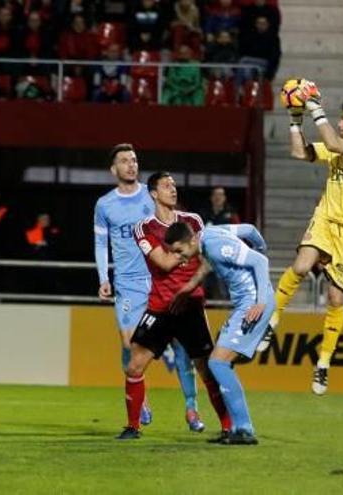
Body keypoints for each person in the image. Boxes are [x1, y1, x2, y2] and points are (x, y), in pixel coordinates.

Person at [278, 88, 343, 395]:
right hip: (326, 220)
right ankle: (270, 322)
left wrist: (313, 107)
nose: (339, 123)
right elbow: (300, 152)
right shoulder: (340, 147)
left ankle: (323, 363)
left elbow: (336, 143)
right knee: (300, 266)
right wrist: (295, 118)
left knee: (336, 299)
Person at [94, 145, 204, 433]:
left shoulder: (155, 193)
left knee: (182, 347)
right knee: (129, 344)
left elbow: (182, 232)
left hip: (159, 280)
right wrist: (103, 277)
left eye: (134, 160)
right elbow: (100, 243)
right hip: (128, 284)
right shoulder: (105, 205)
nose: (131, 165)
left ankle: (191, 407)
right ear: (113, 169)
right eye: (124, 161)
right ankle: (140, 401)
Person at [118, 171, 231, 440]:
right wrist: (187, 251)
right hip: (160, 308)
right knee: (134, 366)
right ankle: (133, 427)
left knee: (206, 369)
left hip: (190, 305)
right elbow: (163, 263)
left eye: (174, 185)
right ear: (153, 193)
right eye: (166, 186)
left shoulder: (192, 220)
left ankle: (228, 427)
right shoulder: (144, 228)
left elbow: (207, 257)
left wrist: (191, 276)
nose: (173, 189)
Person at [167, 222, 274, 445]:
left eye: (180, 250)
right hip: (245, 304)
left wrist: (261, 302)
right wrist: (261, 246)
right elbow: (250, 231)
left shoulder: (214, 245)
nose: (179, 257)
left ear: (193, 240)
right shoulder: (213, 233)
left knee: (217, 363)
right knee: (220, 363)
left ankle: (244, 429)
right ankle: (237, 428)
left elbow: (260, 261)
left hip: (252, 304)